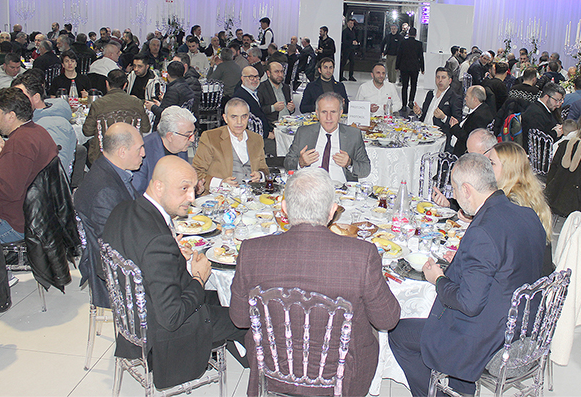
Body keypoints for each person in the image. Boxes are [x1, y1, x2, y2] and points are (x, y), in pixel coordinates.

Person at [229, 167, 400, 396]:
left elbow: (239, 319)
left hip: (271, 371)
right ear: (332, 211)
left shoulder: (252, 251)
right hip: (343, 378)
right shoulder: (362, 254)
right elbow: (387, 320)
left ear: (284, 208)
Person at [389, 153, 545, 396]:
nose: (454, 195)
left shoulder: (482, 230)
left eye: (454, 188)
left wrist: (438, 279)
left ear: (467, 189)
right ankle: (461, 387)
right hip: (525, 327)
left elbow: (468, 304)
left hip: (490, 339)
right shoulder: (527, 214)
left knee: (398, 334)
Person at [102, 155, 248, 390]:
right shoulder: (158, 241)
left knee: (221, 298)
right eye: (184, 188)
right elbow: (172, 317)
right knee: (245, 316)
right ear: (159, 186)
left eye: (193, 188)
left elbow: (118, 263)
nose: (192, 197)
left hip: (135, 318)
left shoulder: (123, 209)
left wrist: (173, 258)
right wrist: (199, 277)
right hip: (163, 336)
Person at [0, 88, 58, 243]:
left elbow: (8, 191)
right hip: (36, 215)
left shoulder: (18, 143)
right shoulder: (36, 132)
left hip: (13, 223)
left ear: (11, 116)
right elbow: (24, 170)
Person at [73, 122, 145, 306]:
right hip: (119, 272)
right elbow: (117, 244)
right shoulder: (105, 190)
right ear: (122, 152)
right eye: (139, 148)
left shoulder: (108, 170)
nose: (143, 153)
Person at [487, 141, 554, 274]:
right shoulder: (530, 194)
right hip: (539, 270)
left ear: (508, 169)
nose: (487, 167)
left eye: (492, 163)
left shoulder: (510, 203)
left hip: (522, 277)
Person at [285, 93, 370, 183]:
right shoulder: (303, 133)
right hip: (309, 186)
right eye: (324, 112)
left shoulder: (353, 135)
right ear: (317, 113)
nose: (328, 117)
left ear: (340, 113)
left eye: (333, 112)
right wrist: (300, 162)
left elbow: (366, 169)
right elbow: (287, 163)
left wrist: (349, 163)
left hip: (341, 188)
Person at [193, 97, 268, 193]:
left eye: (244, 117)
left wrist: (260, 175)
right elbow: (196, 172)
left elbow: (264, 169)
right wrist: (220, 183)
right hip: (219, 196)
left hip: (252, 196)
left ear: (248, 117)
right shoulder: (211, 138)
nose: (239, 122)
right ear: (225, 118)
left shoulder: (256, 139)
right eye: (234, 117)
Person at [10, 70, 76, 176]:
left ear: (36, 98)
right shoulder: (30, 120)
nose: (16, 102)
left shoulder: (53, 125)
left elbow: (55, 173)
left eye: (21, 97)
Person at [83, 69, 151, 164]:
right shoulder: (137, 103)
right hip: (130, 155)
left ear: (107, 83)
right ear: (125, 85)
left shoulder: (98, 104)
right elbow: (146, 128)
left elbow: (87, 131)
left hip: (103, 156)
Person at [132, 106, 196, 194]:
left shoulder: (180, 148)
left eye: (193, 133)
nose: (192, 139)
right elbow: (136, 192)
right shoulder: (144, 152)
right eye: (188, 135)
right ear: (170, 136)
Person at [413, 67, 462, 139]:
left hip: (439, 135)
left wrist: (443, 117)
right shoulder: (430, 94)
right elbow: (425, 114)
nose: (440, 80)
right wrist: (419, 112)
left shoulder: (455, 97)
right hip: (423, 131)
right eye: (438, 77)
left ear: (450, 81)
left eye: (443, 77)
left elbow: (457, 122)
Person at [145, 61, 194, 126]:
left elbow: (166, 114)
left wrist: (152, 107)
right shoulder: (186, 86)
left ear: (168, 75)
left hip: (172, 126)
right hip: (184, 123)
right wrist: (160, 105)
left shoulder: (173, 90)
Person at [231, 65, 273, 140]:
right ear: (242, 79)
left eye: (257, 77)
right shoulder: (240, 98)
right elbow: (243, 124)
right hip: (253, 138)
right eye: (251, 77)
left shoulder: (255, 92)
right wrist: (266, 134)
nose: (255, 80)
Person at [450, 85, 494, 156]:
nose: (465, 99)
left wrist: (455, 127)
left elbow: (469, 138)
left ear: (475, 99)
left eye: (467, 96)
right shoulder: (483, 108)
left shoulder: (479, 116)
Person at [521, 82, 566, 150]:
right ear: (546, 97)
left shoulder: (549, 109)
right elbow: (538, 139)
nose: (558, 104)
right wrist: (555, 133)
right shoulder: (534, 113)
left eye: (560, 101)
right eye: (556, 100)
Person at [396, 27, 425, 109]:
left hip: (404, 67)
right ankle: (411, 101)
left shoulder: (403, 42)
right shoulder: (419, 44)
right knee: (413, 85)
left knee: (404, 86)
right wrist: (422, 68)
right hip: (414, 67)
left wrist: (397, 66)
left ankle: (404, 104)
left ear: (408, 34)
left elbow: (399, 55)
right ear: (415, 35)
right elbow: (421, 57)